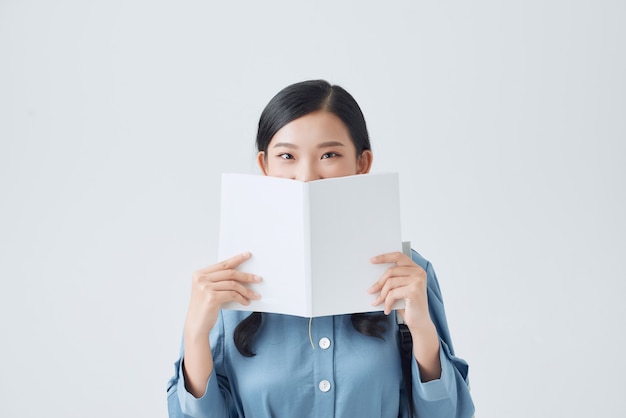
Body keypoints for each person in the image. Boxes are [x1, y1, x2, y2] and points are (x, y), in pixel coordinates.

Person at [167, 80, 475, 417]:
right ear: (265, 166)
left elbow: (453, 414)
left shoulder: (408, 273)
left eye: (329, 155)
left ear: (362, 163)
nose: (307, 176)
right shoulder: (227, 284)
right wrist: (195, 332)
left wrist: (421, 329)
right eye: (287, 156)